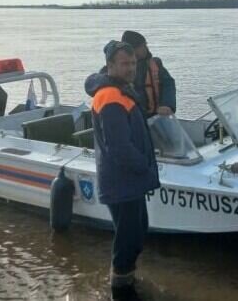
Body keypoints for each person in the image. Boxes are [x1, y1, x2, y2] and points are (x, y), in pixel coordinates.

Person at [85, 41, 160, 298]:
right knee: (129, 236)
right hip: (122, 181)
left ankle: (126, 277)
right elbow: (119, 147)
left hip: (131, 180)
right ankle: (120, 285)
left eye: (133, 63)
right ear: (110, 66)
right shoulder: (109, 97)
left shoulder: (122, 90)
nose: (131, 69)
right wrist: (144, 166)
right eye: (125, 64)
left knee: (138, 229)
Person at [120, 30, 176, 117]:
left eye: (145, 45)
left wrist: (168, 104)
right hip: (133, 118)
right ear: (131, 49)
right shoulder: (118, 69)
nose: (145, 48)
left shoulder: (155, 64)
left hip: (157, 118)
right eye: (142, 46)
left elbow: (168, 83)